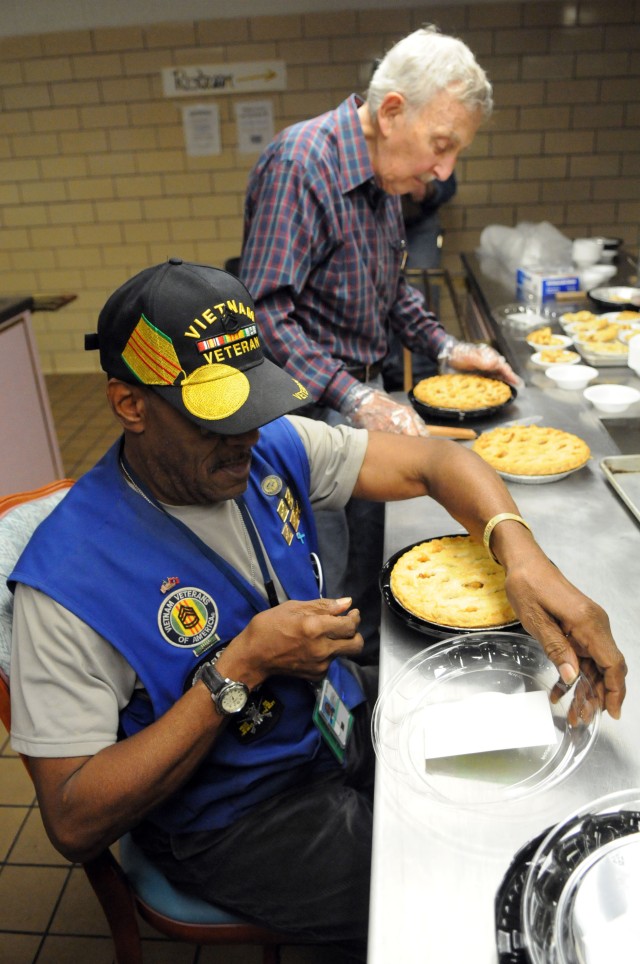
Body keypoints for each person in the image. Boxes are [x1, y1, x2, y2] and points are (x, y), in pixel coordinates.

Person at [9, 260, 626, 963]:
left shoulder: (269, 447)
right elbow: (73, 819)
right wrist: (237, 669)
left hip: (324, 712)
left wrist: (521, 557)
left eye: (255, 406)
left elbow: (433, 464)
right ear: (130, 404)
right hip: (239, 813)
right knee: (460, 890)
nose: (246, 437)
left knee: (516, 759)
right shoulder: (66, 584)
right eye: (218, 418)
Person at [239, 25, 520, 659]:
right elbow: (263, 314)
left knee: (371, 554)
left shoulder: (383, 179)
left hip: (361, 398)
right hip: (307, 413)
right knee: (326, 576)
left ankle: (369, 678)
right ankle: (329, 714)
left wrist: (448, 348)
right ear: (392, 111)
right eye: (441, 146)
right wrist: (357, 397)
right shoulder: (302, 165)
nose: (442, 172)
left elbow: (389, 293)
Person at [382, 173, 458, 391]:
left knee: (418, 291)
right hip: (343, 376)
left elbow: (447, 183)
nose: (442, 167)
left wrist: (447, 348)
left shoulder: (436, 164)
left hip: (418, 220)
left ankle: (420, 377)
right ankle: (387, 371)